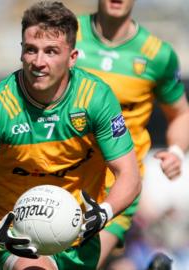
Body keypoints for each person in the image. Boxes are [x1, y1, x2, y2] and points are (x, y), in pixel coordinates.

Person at [0, 1, 141, 269]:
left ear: (72, 57)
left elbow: (129, 174)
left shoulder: (95, 98)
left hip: (80, 233)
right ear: (21, 52)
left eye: (51, 51)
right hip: (15, 234)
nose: (39, 62)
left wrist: (105, 212)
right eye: (31, 50)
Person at [75, 0, 189, 268]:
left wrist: (176, 152)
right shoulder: (67, 36)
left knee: (81, 264)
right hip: (63, 176)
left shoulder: (157, 54)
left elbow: (181, 113)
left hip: (118, 185)